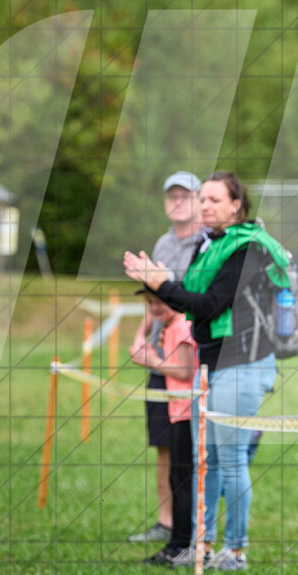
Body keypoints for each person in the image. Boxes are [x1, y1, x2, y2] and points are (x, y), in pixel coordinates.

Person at [125, 171, 288, 571]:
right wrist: (160, 284)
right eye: (204, 199)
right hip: (211, 364)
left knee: (230, 460)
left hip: (243, 364)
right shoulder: (209, 243)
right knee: (207, 460)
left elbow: (211, 305)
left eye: (215, 199)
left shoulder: (247, 247)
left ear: (236, 205)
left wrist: (162, 283)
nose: (206, 205)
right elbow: (191, 298)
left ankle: (236, 550)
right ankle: (205, 545)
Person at [128, 170, 208, 545]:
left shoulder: (207, 242)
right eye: (171, 195)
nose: (177, 201)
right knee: (163, 443)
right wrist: (140, 336)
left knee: (192, 447)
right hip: (161, 353)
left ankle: (194, 526)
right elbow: (154, 297)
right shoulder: (162, 243)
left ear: (199, 201)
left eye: (184, 195)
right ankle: (166, 520)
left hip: (193, 351)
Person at [129, 288, 197, 566]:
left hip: (187, 411)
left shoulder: (181, 325)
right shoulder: (170, 325)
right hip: (177, 409)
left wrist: (153, 361)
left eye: (160, 302)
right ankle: (179, 543)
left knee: (182, 479)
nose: (155, 308)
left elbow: (186, 370)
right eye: (150, 303)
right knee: (177, 477)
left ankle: (181, 545)